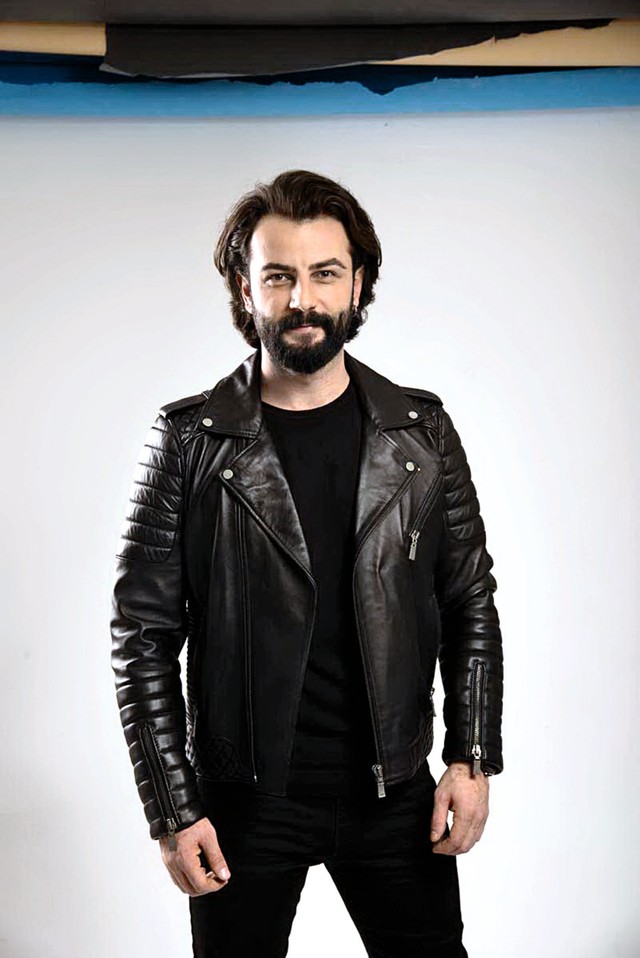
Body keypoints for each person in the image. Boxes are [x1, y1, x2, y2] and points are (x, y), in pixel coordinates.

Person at [110, 169, 504, 958]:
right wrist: (173, 809)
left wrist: (471, 757)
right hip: (243, 805)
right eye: (278, 276)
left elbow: (469, 601)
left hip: (395, 794)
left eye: (325, 273)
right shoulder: (187, 443)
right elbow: (142, 636)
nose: (302, 299)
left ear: (357, 284)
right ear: (245, 288)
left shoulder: (421, 434)